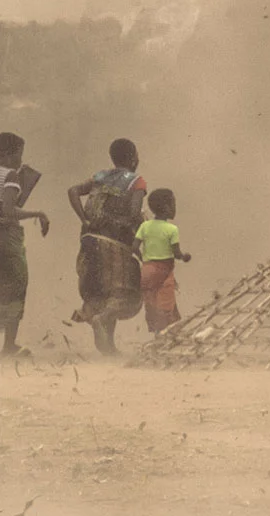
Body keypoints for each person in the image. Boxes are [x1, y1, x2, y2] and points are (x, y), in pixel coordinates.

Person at [0, 132, 48, 365]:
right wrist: (39, 214)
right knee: (14, 285)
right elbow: (8, 211)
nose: (20, 160)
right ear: (9, 154)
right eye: (19, 154)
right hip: (7, 239)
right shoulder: (11, 175)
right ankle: (8, 346)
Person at [67, 138, 145, 355]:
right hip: (115, 243)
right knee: (125, 292)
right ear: (132, 158)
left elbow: (73, 191)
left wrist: (84, 219)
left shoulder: (100, 176)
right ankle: (103, 321)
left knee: (99, 293)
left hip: (89, 241)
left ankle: (107, 346)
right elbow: (134, 213)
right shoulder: (136, 181)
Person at [136, 188, 191, 335]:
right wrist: (185, 256)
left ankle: (158, 337)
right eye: (172, 204)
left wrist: (147, 260)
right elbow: (176, 253)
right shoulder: (171, 229)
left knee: (152, 305)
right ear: (166, 208)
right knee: (166, 306)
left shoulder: (144, 226)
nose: (174, 208)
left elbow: (134, 247)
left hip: (147, 271)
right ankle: (165, 339)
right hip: (163, 272)